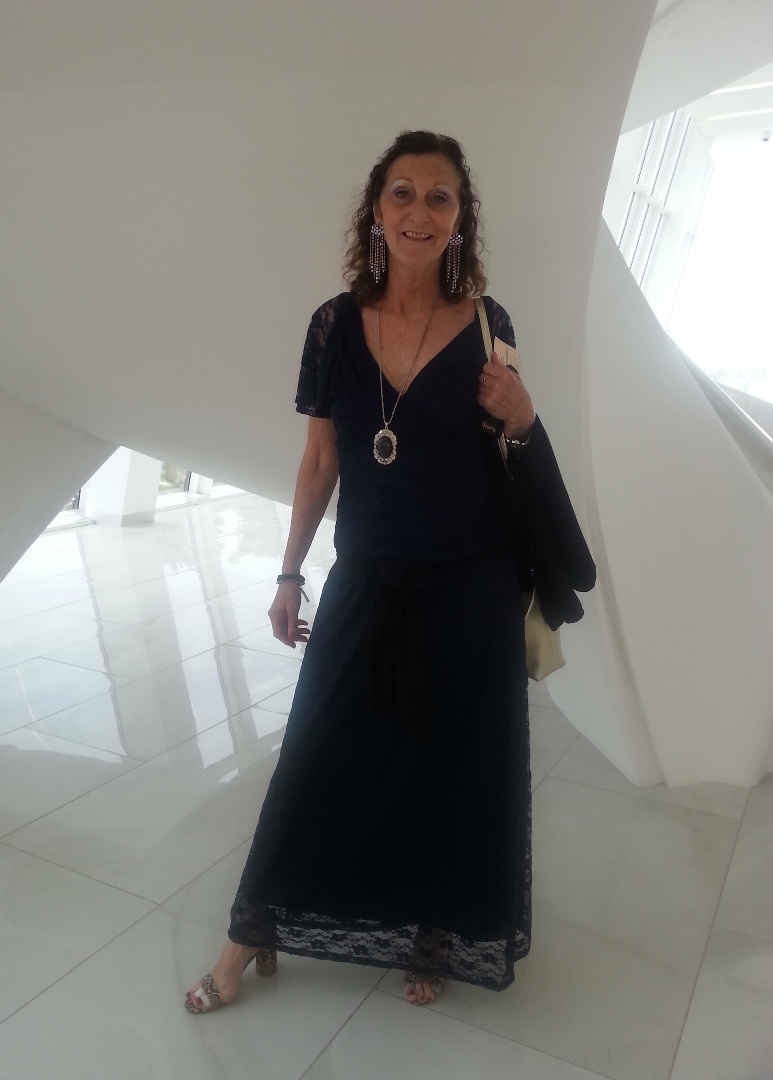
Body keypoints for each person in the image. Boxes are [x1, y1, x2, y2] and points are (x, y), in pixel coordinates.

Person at [186, 130, 539, 1013]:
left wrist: (523, 412)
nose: (420, 211)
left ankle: (431, 930)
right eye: (402, 193)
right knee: (315, 756)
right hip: (368, 577)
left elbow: (515, 450)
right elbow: (319, 461)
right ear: (377, 213)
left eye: (439, 197)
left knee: (448, 763)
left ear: (460, 219)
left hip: (472, 586)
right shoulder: (334, 325)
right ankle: (251, 934)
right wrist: (289, 574)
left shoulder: (490, 325)